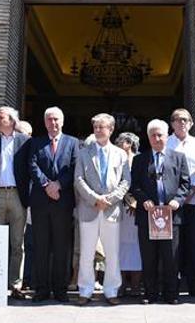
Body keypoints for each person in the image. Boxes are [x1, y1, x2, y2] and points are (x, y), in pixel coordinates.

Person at [74, 113, 130, 305]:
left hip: (111, 209)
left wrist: (110, 199)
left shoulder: (121, 154)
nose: (98, 130)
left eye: (102, 127)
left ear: (111, 130)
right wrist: (94, 199)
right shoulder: (83, 153)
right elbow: (78, 179)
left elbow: (126, 181)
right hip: (89, 209)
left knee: (112, 253)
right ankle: (85, 290)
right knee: (87, 252)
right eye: (96, 127)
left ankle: (111, 290)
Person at [131, 119, 190, 305]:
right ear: (148, 137)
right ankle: (150, 293)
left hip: (171, 216)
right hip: (148, 216)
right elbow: (134, 185)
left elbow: (185, 184)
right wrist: (143, 200)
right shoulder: (140, 159)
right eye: (153, 135)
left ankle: (171, 293)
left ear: (167, 136)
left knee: (170, 257)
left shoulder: (179, 157)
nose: (157, 138)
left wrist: (177, 201)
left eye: (160, 135)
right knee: (149, 257)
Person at [28, 106, 80, 303]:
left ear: (63, 121)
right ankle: (41, 289)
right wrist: (46, 184)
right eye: (49, 119)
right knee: (41, 246)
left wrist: (59, 185)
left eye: (57, 119)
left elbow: (75, 167)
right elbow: (32, 165)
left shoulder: (74, 143)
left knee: (62, 247)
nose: (53, 123)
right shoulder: (36, 143)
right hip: (41, 201)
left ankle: (60, 289)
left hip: (63, 202)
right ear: (44, 122)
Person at [0, 106, 30, 300]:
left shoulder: (25, 141)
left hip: (18, 195)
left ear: (11, 121)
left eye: (0, 117)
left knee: (17, 244)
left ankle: (15, 285)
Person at [166, 108, 195, 299]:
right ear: (172, 123)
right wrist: (177, 198)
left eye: (185, 120)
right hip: (173, 202)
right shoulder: (166, 143)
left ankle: (194, 284)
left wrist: (191, 193)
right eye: (177, 119)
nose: (181, 122)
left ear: (191, 123)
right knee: (175, 245)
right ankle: (172, 284)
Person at [115, 132, 142, 296]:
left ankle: (136, 285)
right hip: (119, 207)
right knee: (120, 246)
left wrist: (136, 201)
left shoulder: (139, 159)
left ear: (130, 143)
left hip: (137, 208)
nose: (118, 144)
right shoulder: (115, 159)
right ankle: (121, 284)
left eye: (121, 142)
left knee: (137, 246)